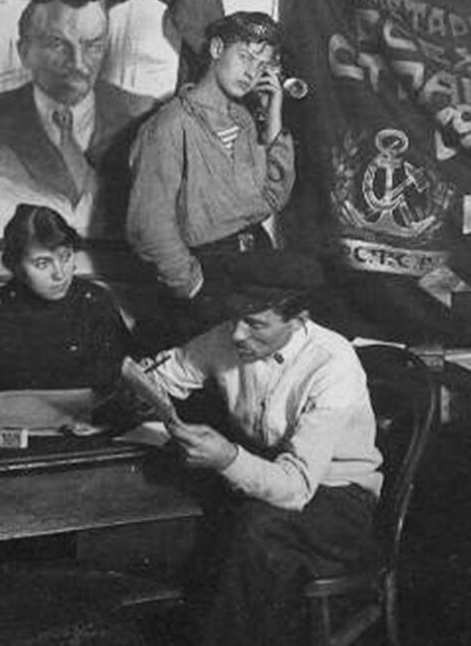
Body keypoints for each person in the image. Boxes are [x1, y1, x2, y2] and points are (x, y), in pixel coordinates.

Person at [126, 250, 381, 646]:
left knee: (255, 532)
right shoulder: (230, 336)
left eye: (257, 324)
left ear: (299, 320)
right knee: (181, 508)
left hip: (338, 501)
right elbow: (164, 372)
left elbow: (296, 487)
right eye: (235, 318)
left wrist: (227, 457)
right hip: (266, 482)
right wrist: (138, 394)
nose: (238, 335)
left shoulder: (333, 366)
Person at [126, 10, 295, 340]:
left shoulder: (244, 122)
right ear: (217, 49)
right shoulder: (170, 126)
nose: (251, 71)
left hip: (253, 261)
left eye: (262, 65)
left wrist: (273, 112)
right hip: (206, 273)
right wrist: (192, 287)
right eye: (245, 56)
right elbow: (149, 225)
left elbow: (272, 198)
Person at [0, 204, 132, 437]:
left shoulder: (95, 301)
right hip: (10, 445)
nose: (60, 273)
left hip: (89, 439)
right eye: (42, 263)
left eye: (66, 257)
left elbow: (125, 378)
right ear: (15, 265)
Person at [0, 0, 156, 239]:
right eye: (58, 44)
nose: (79, 64)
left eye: (93, 46)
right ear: (24, 52)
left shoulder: (143, 116)